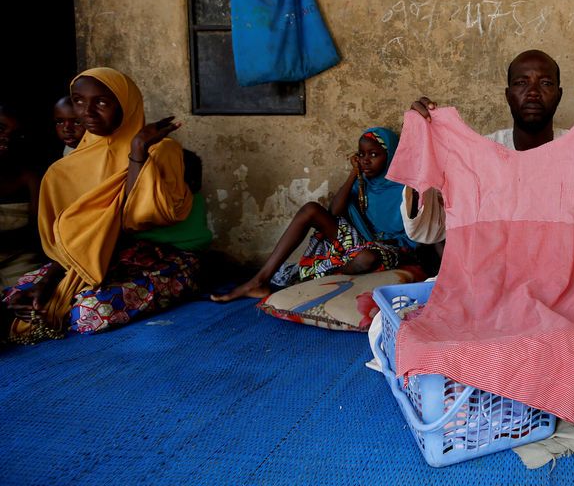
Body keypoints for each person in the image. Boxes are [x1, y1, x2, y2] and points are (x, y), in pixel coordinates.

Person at [402, 49, 574, 267]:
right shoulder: (476, 156)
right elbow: (426, 231)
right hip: (491, 285)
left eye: (545, 83)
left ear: (559, 94)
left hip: (573, 282)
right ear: (508, 95)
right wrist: (421, 144)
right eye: (521, 83)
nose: (532, 91)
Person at [2, 68, 199, 343]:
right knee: (18, 294)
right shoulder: (62, 172)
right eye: (79, 101)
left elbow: (137, 218)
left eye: (102, 102)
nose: (87, 112)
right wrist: (47, 284)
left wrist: (137, 151)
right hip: (80, 263)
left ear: (126, 106)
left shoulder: (161, 151)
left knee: (90, 311)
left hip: (150, 257)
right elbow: (70, 244)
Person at [214, 127, 416, 302]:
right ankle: (259, 281)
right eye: (361, 155)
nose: (365, 161)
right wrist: (353, 174)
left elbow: (415, 234)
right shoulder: (361, 182)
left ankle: (319, 276)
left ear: (391, 156)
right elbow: (334, 212)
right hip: (357, 241)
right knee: (311, 209)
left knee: (365, 258)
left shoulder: (406, 188)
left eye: (374, 155)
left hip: (388, 249)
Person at [0, 104, 42, 292]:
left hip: (19, 258)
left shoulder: (28, 177)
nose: (6, 137)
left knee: (24, 296)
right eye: (1, 129)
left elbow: (36, 232)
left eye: (15, 134)